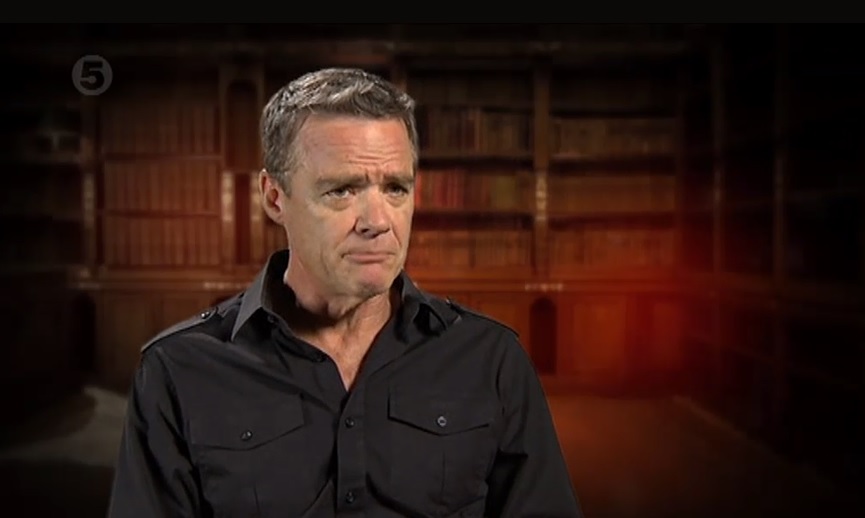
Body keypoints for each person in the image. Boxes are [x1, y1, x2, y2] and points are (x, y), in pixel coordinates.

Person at [107, 67, 583, 518]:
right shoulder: (178, 371)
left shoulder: (491, 360)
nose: (377, 222)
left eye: (395, 188)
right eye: (341, 191)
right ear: (274, 198)